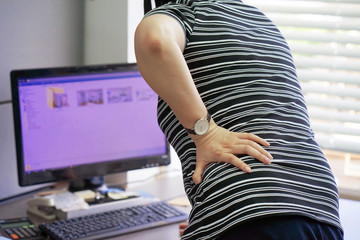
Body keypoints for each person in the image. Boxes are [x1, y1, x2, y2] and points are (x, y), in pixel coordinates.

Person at [134, 0, 344, 239]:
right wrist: (213, 219)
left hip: (256, 212)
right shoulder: (259, 21)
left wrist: (207, 133)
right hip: (319, 207)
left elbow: (155, 41)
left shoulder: (186, 14)